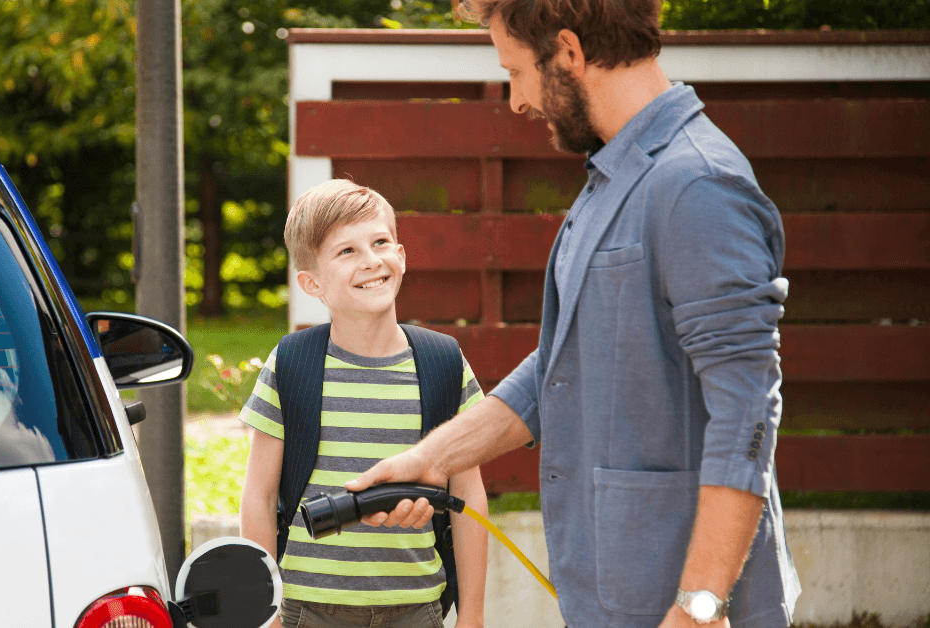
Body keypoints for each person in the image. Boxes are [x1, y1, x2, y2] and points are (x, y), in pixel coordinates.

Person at [344, 1, 802, 628]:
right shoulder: (616, 177)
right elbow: (565, 362)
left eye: (516, 72)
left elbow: (748, 411)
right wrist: (433, 459)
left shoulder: (697, 186)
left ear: (568, 52)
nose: (516, 100)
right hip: (615, 595)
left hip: (683, 605)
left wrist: (698, 606)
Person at [238, 179, 489, 628]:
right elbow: (258, 495)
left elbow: (468, 494)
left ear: (402, 255)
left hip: (417, 608)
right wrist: (268, 613)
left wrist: (472, 615)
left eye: (380, 242)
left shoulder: (444, 364)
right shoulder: (292, 364)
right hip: (308, 610)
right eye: (347, 251)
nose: (371, 261)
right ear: (311, 282)